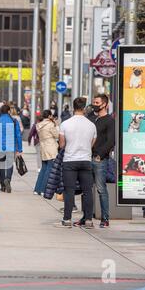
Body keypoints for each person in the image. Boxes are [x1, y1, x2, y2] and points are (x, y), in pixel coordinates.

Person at [56, 97, 97, 229]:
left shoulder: (65, 124)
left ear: (73, 108)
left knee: (69, 191)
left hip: (70, 160)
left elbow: (62, 144)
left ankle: (67, 218)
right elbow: (92, 143)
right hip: (85, 160)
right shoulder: (91, 125)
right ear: (84, 108)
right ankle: (89, 219)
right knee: (87, 191)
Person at [82, 94, 115, 228]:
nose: (94, 104)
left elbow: (111, 141)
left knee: (101, 189)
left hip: (99, 159)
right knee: (86, 189)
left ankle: (105, 218)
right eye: (93, 102)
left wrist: (100, 155)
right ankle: (86, 217)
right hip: (86, 157)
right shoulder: (92, 119)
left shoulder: (109, 121)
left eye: (97, 102)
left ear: (104, 105)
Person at [0, 104, 23, 193]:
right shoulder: (14, 121)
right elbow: (18, 135)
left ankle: (3, 185)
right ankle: (8, 179)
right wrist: (19, 149)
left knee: (2, 166)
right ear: (8, 111)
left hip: (1, 147)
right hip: (11, 146)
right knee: (9, 165)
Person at [34, 110, 59, 196]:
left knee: (43, 169)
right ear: (49, 116)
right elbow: (57, 135)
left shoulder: (39, 125)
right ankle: (43, 189)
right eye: (51, 115)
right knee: (49, 169)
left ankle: (37, 189)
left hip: (43, 147)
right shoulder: (50, 125)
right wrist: (56, 125)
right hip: (51, 147)